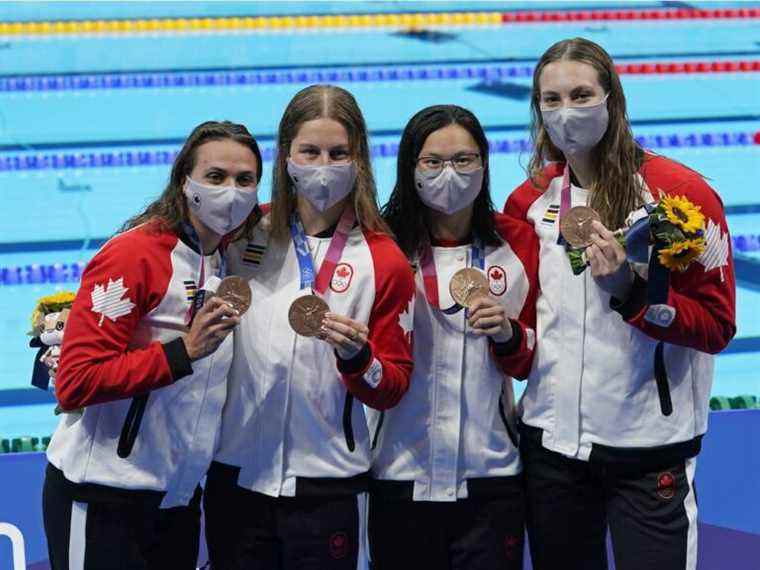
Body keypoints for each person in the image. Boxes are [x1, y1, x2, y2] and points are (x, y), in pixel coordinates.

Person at [504, 37, 736, 570]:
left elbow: (720, 326)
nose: (566, 112)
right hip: (551, 449)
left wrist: (633, 296)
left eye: (581, 95)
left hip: (648, 450)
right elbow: (525, 329)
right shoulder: (528, 202)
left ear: (613, 99)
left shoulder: (681, 196)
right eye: (552, 99)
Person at [203, 85, 416, 570]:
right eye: (310, 151)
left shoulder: (384, 260)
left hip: (331, 486)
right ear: (286, 157)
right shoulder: (243, 235)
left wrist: (359, 359)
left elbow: (394, 386)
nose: (324, 165)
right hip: (236, 478)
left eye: (338, 153)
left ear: (359, 159)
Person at [43, 120, 263, 569]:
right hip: (103, 497)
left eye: (245, 180)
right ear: (185, 180)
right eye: (215, 177)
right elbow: (75, 383)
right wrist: (182, 352)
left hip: (176, 503)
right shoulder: (136, 255)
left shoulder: (223, 255)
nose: (231, 192)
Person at [370, 104, 539, 570]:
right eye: (434, 161)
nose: (451, 173)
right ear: (410, 167)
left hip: (491, 475)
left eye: (465, 160)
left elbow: (532, 359)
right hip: (399, 472)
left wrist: (509, 335)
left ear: (484, 166)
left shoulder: (517, 243)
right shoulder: (382, 248)